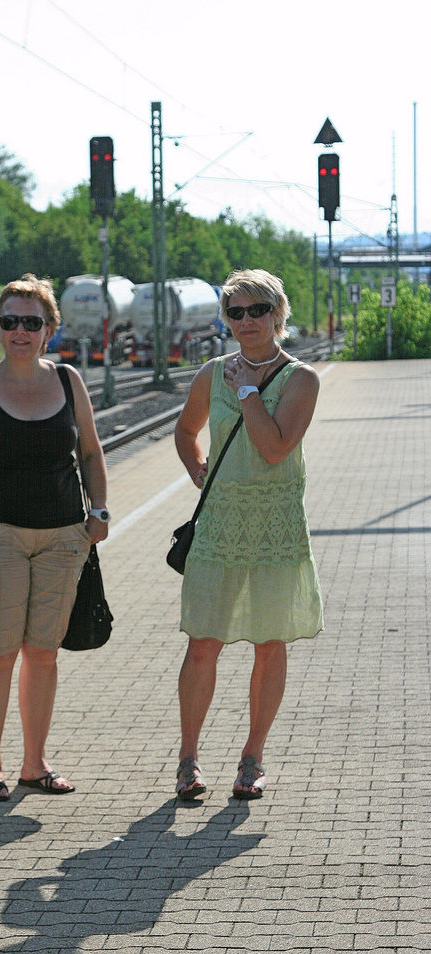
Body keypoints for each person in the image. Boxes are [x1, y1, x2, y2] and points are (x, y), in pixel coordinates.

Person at [0, 274, 109, 801]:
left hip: (62, 537)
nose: (20, 331)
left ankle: (35, 764)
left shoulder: (70, 381)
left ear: (50, 329)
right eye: (10, 322)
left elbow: (92, 454)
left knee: (43, 653)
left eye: (32, 322)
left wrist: (98, 509)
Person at [173, 269, 323, 801]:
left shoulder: (301, 378)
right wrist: (199, 471)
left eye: (256, 310)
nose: (245, 321)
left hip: (275, 528)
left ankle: (252, 756)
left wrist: (247, 391)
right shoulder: (211, 373)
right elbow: (186, 431)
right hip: (220, 527)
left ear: (278, 314)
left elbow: (274, 447)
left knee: (269, 644)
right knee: (202, 645)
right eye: (234, 312)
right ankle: (188, 759)